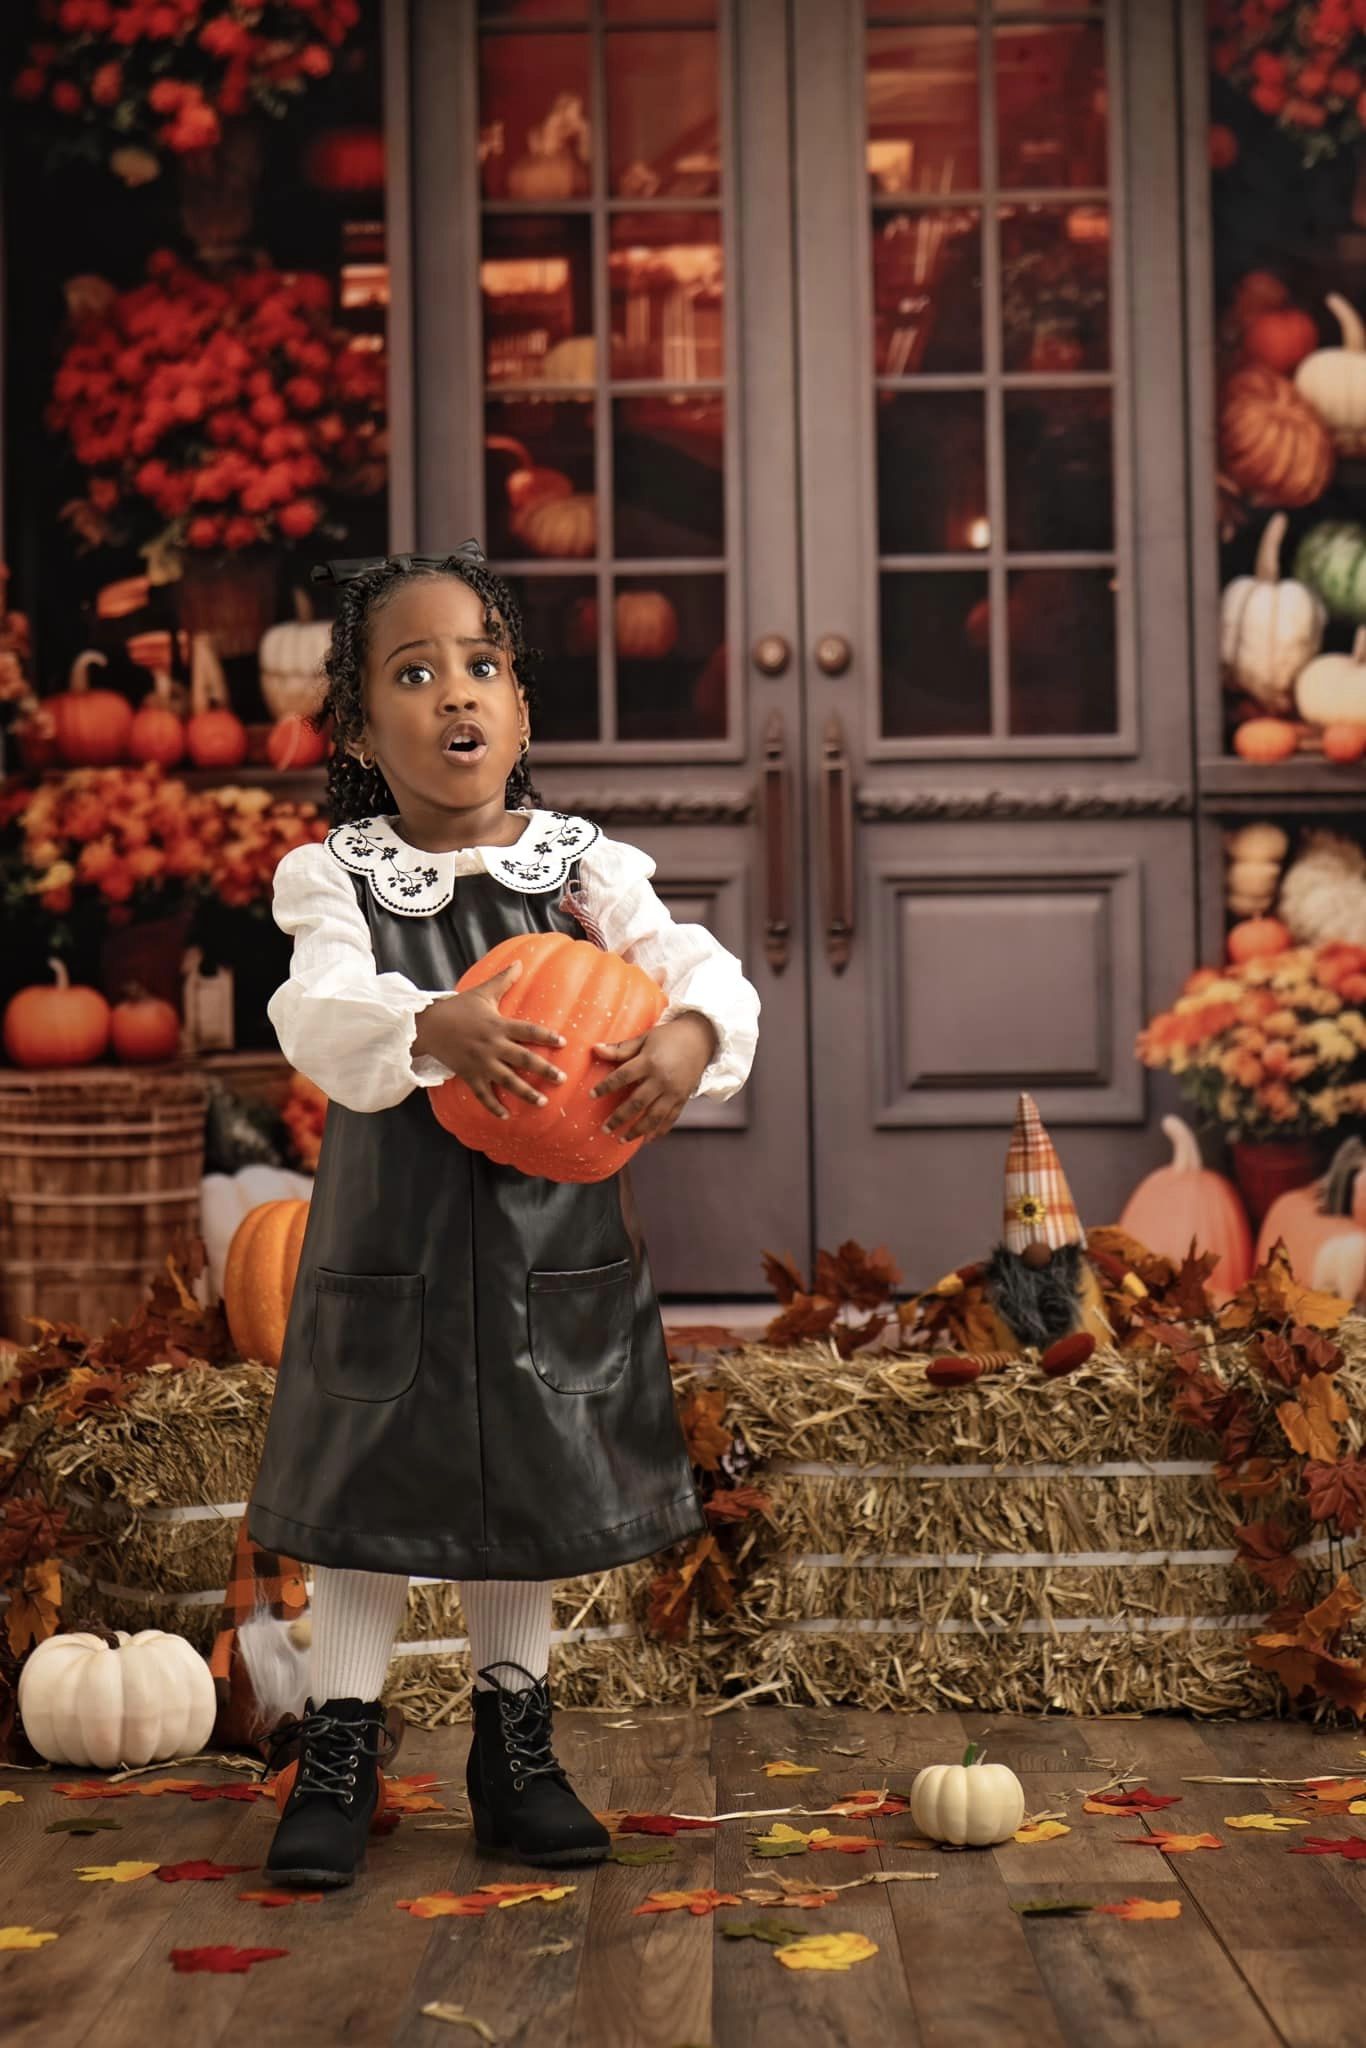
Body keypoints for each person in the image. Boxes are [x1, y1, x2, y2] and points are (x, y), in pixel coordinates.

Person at [247, 546, 760, 1888]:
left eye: (483, 667)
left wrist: (690, 1030)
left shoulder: (582, 869)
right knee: (374, 1487)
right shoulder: (338, 881)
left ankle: (513, 1743)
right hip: (392, 1249)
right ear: (359, 728)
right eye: (413, 674)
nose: (456, 696)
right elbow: (315, 1016)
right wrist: (432, 1021)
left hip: (549, 1247)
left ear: (522, 711)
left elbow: (694, 968)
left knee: (522, 1483)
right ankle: (341, 1744)